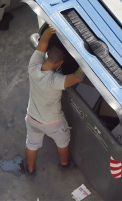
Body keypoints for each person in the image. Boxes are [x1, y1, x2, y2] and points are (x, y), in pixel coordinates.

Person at [25, 25, 85, 179]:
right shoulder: (55, 81)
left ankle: (30, 169)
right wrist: (86, 57)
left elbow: (43, 43)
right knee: (63, 141)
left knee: (32, 143)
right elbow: (78, 77)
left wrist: (50, 29)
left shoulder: (33, 66)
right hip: (53, 123)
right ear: (60, 64)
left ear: (48, 53)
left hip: (31, 117)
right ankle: (64, 164)